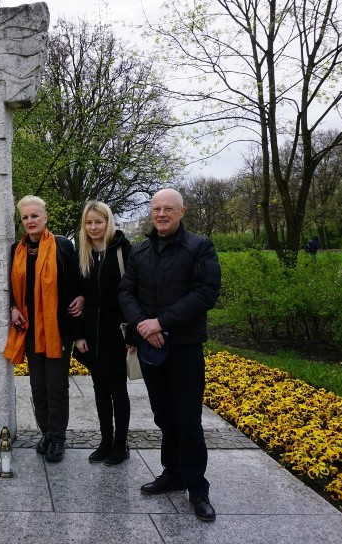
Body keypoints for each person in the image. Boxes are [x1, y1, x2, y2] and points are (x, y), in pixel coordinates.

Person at [117, 188, 221, 522]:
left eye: (168, 209)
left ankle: (197, 489)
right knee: (164, 415)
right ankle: (172, 473)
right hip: (152, 348)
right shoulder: (140, 251)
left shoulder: (199, 247)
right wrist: (144, 327)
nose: (161, 214)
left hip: (185, 347)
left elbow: (205, 292)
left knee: (188, 419)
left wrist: (161, 322)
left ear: (182, 212)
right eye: (156, 209)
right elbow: (126, 291)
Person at [4, 195, 81, 463]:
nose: (30, 221)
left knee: (56, 385)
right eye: (25, 217)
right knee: (38, 386)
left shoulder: (61, 246)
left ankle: (58, 438)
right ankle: (46, 432)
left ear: (45, 218)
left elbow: (76, 281)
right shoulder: (17, 249)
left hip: (57, 327)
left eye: (34, 216)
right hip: (29, 328)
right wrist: (13, 307)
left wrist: (81, 298)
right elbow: (13, 287)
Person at [70, 201, 132, 466]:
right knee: (99, 389)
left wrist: (133, 335)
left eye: (98, 221)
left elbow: (134, 295)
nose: (93, 227)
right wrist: (78, 335)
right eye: (89, 222)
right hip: (92, 331)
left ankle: (121, 443)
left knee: (118, 389)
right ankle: (105, 439)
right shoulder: (81, 254)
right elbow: (75, 297)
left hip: (117, 330)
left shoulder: (124, 251)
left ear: (108, 222)